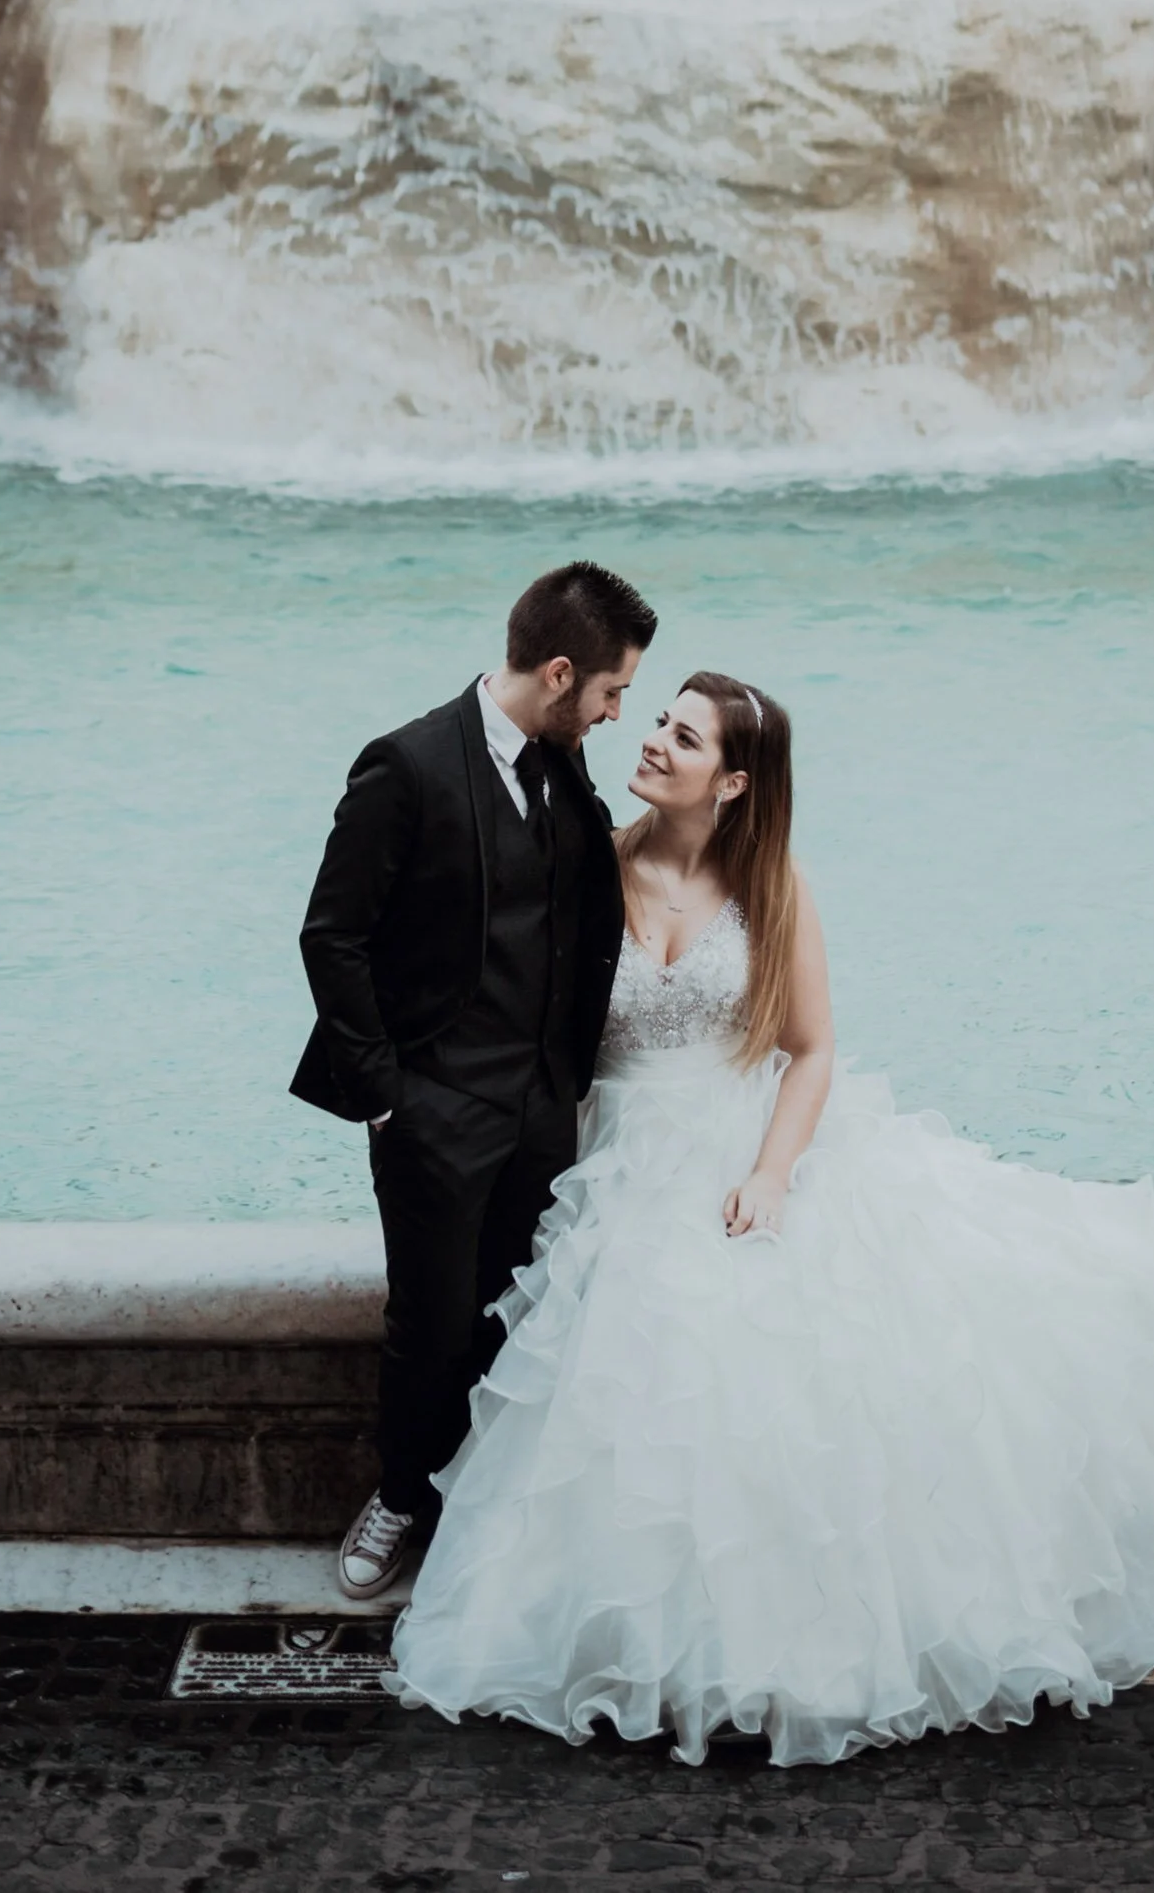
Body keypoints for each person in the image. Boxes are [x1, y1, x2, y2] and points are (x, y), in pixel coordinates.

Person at [391, 671, 1154, 1766]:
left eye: (683, 735)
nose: (653, 740)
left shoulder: (774, 887)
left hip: (745, 1144)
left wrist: (769, 1174)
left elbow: (810, 1051)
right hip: (617, 1161)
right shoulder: (588, 865)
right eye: (657, 721)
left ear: (735, 779)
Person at [295, 562, 658, 1598]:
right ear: (557, 674)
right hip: (432, 1110)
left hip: (542, 1106)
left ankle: (490, 1510)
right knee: (431, 1323)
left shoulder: (562, 766)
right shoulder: (404, 767)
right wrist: (383, 1097)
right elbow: (334, 937)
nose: (615, 711)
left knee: (519, 1313)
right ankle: (402, 1496)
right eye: (610, 691)